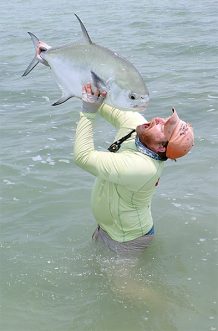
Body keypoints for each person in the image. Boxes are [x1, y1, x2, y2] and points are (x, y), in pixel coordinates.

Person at [74, 83, 194, 254]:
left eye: (165, 127)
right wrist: (61, 67)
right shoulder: (139, 128)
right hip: (110, 228)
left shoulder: (143, 168)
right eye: (167, 120)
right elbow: (103, 103)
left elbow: (83, 157)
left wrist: (87, 111)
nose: (159, 120)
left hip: (127, 239)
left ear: (161, 148)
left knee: (124, 282)